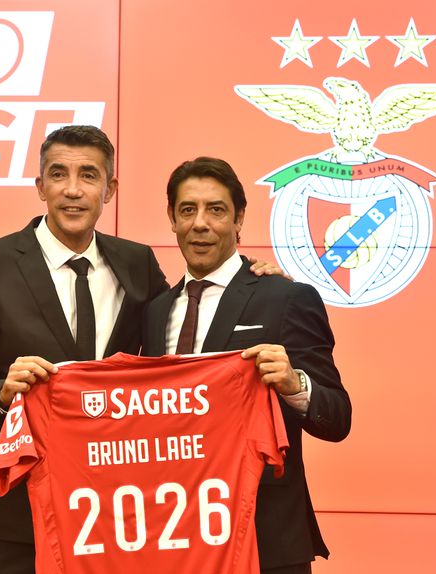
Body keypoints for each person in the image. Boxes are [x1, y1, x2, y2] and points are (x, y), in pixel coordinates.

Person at [0, 127, 284, 573]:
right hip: (12, 518)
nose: (72, 189)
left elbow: (181, 332)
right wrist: (3, 394)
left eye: (89, 175)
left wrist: (252, 280)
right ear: (39, 185)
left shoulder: (136, 263)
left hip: (111, 519)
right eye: (58, 174)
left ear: (110, 189)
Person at [142, 157, 352, 574]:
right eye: (188, 210)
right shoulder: (153, 312)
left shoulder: (286, 298)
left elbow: (338, 417)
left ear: (239, 218)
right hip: (175, 536)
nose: (200, 223)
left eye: (216, 210)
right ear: (171, 218)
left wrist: (294, 385)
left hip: (266, 539)